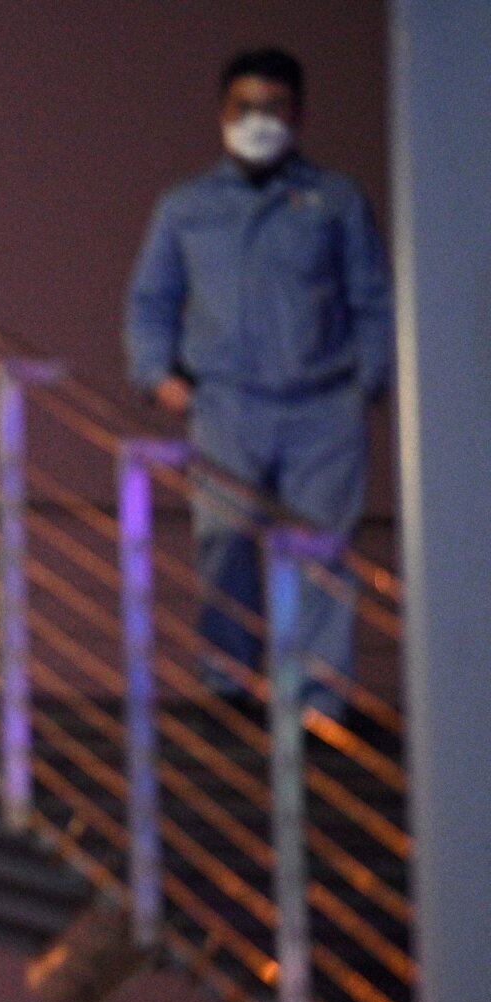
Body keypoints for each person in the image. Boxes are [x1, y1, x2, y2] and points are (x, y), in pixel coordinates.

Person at [124, 47, 393, 721]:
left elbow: (373, 298)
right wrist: (157, 373)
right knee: (224, 545)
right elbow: (151, 299)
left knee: (320, 554)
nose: (258, 121)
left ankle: (318, 707)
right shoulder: (186, 206)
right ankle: (227, 691)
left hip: (322, 406)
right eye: (244, 107)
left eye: (273, 108)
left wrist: (368, 381)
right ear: (222, 113)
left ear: (298, 115)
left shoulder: (334, 201)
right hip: (227, 404)